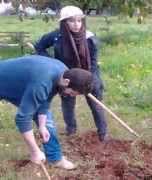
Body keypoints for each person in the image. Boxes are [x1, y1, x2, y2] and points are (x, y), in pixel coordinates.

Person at [0, 55, 93, 169]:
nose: (71, 96)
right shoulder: (42, 82)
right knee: (28, 113)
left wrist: (42, 126)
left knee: (47, 122)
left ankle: (55, 159)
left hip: (19, 85)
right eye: (72, 93)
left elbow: (46, 98)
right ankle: (40, 155)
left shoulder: (63, 72)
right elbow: (22, 118)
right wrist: (35, 151)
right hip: (6, 81)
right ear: (66, 81)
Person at [35, 5, 108, 142]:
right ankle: (71, 131)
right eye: (71, 21)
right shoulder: (57, 36)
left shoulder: (90, 38)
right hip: (67, 76)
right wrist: (52, 62)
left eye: (79, 20)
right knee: (68, 104)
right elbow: (39, 46)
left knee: (96, 104)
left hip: (88, 75)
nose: (76, 24)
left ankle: (103, 134)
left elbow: (93, 61)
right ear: (64, 23)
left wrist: (90, 80)